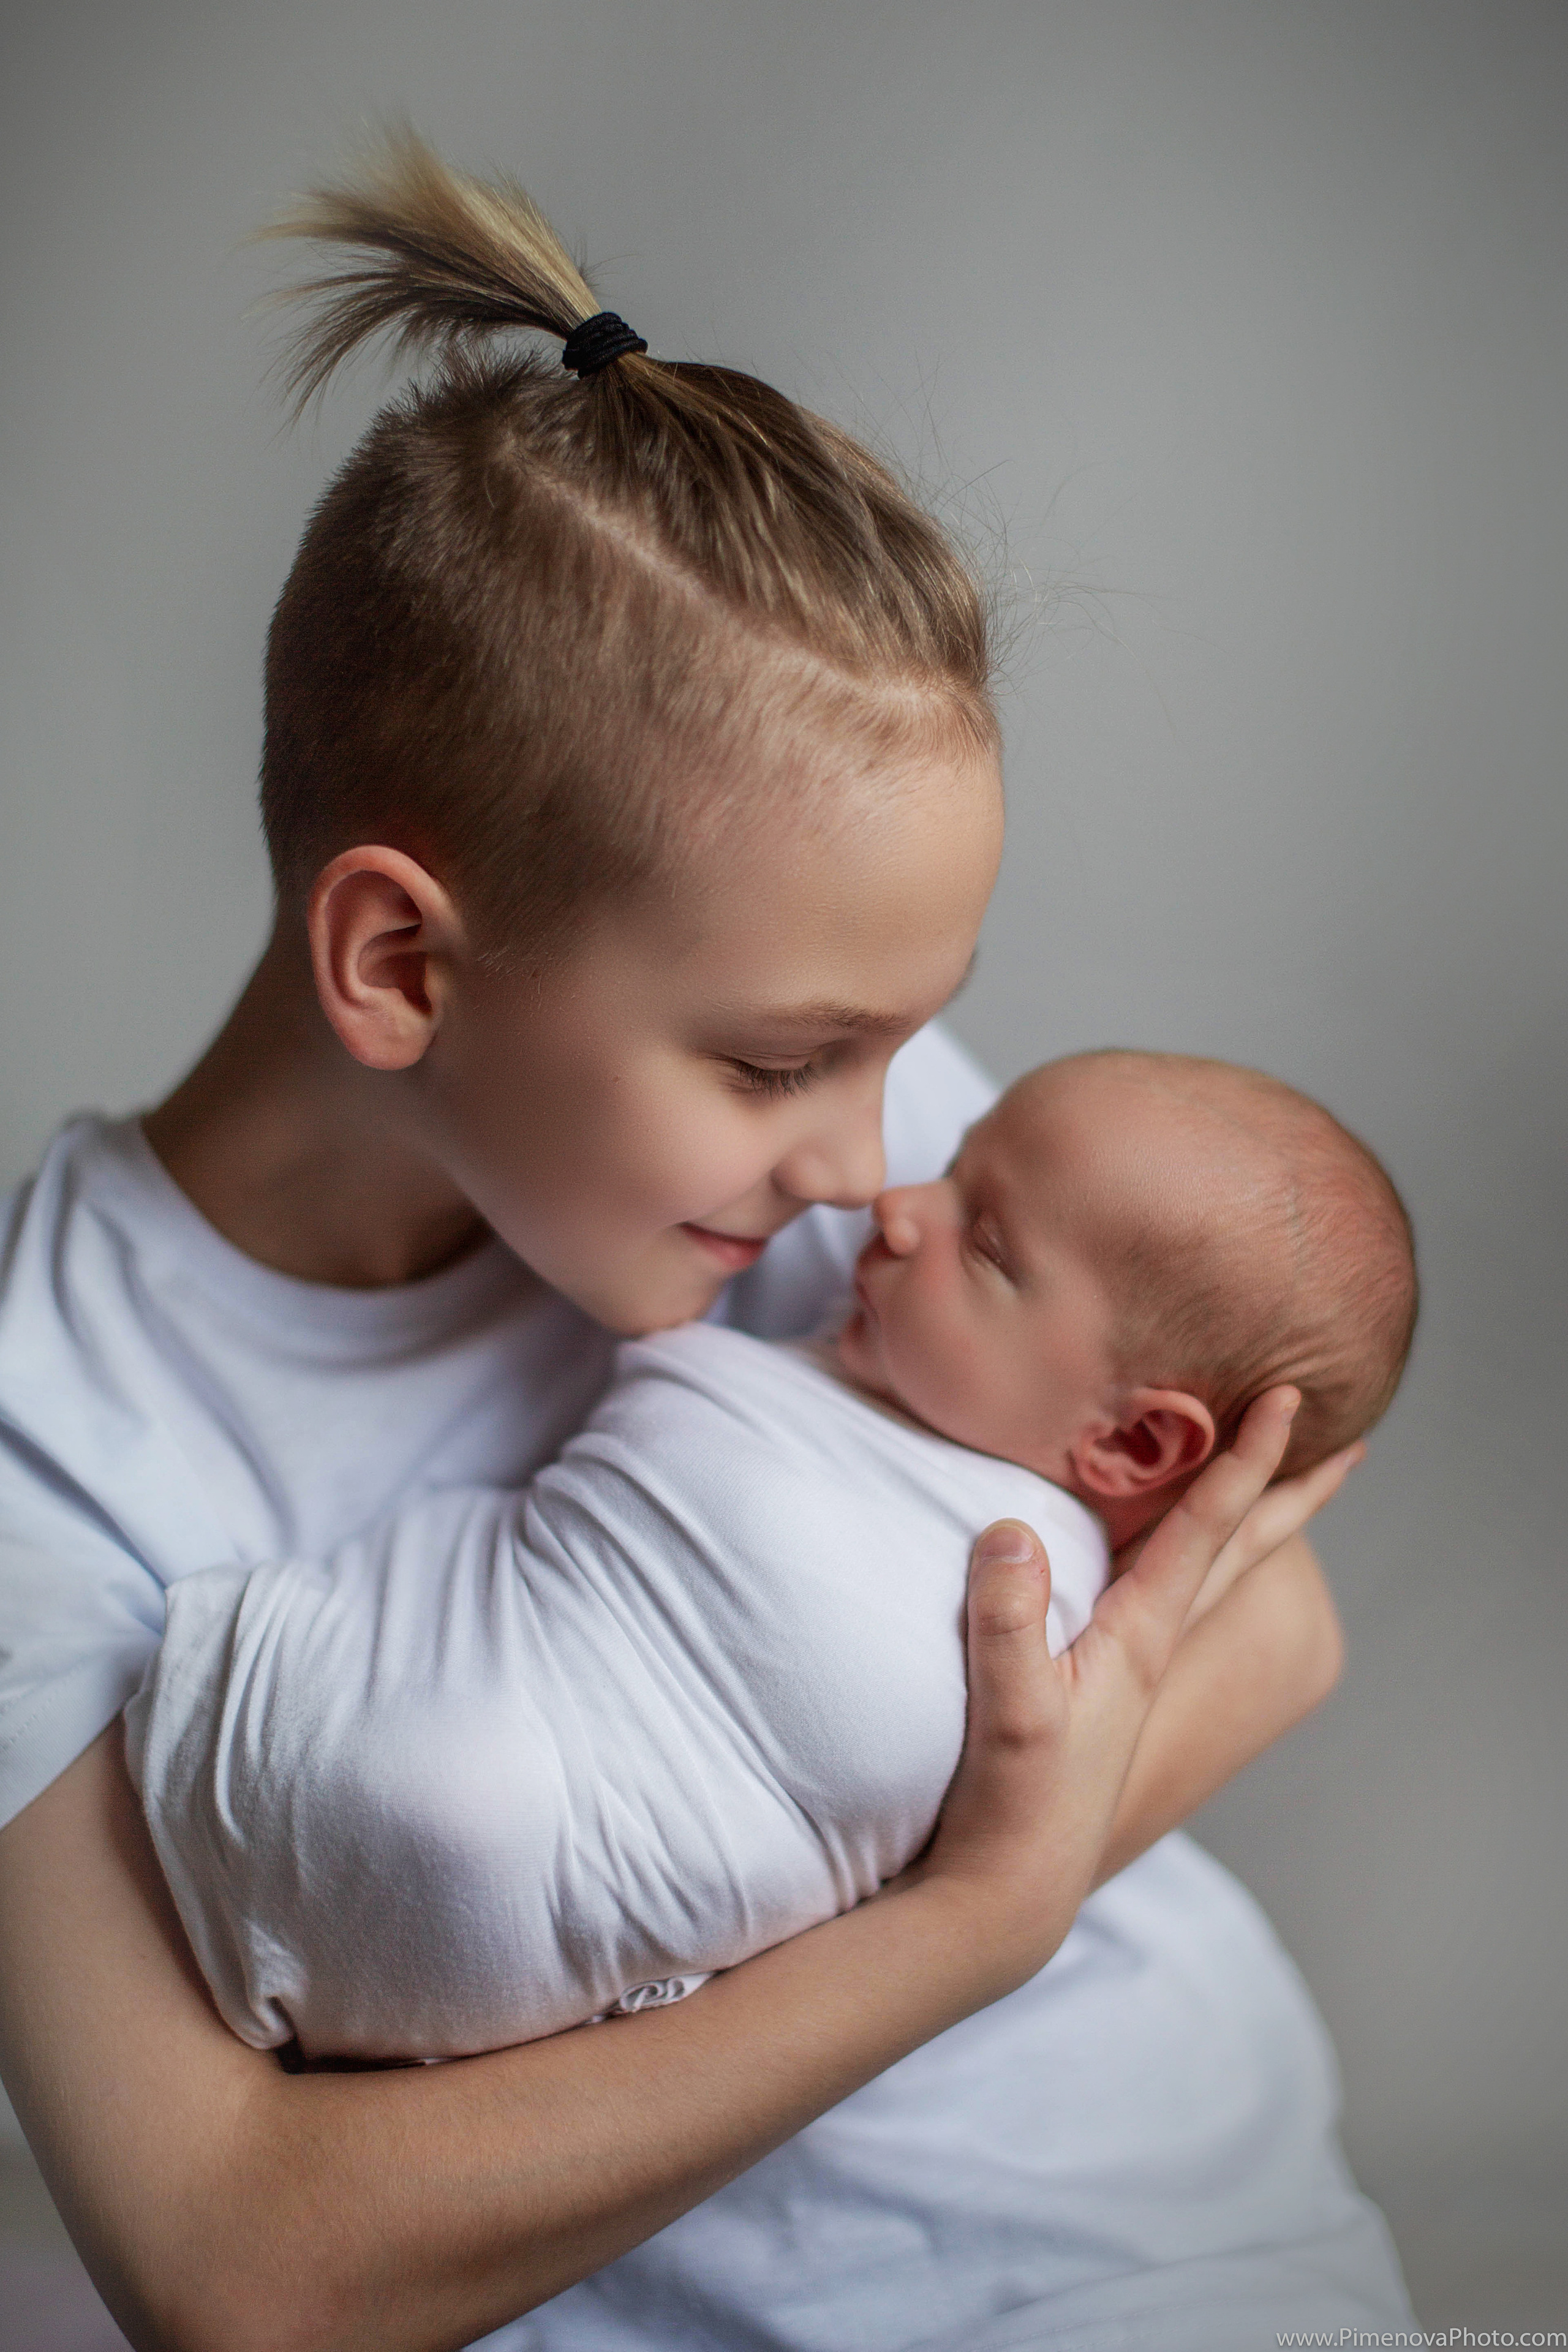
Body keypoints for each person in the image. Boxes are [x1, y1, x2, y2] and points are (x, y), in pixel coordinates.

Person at [0, 132, 1401, 2352]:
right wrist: (970, 1913)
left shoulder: (832, 1135)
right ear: (399, 965)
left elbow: (1277, 1604)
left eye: (904, 1050)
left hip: (1191, 2239)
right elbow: (240, 2264)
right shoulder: (46, 1442)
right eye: (778, 1066)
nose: (869, 1170)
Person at [128, 1049, 1419, 2068]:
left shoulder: (1027, 1617)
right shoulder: (929, 1296)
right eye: (956, 1169)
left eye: (983, 1243)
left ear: (1133, 1443)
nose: (893, 1200)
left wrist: (984, 1897)